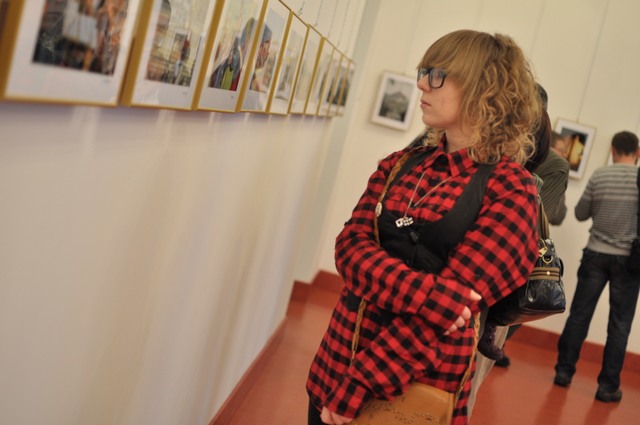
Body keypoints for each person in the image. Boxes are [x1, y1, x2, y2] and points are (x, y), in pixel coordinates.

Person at [306, 29, 541, 425]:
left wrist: (359, 384)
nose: (421, 84)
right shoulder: (401, 163)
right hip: (334, 364)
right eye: (424, 72)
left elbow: (442, 320)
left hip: (407, 392)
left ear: (483, 87)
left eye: (437, 75)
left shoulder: (510, 190)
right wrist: (434, 296)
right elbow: (349, 249)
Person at [554, 131, 640, 403]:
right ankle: (607, 387)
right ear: (637, 153)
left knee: (579, 315)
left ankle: (563, 372)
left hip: (595, 254)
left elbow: (581, 214)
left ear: (613, 150)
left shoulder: (601, 175)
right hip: (629, 261)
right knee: (620, 325)